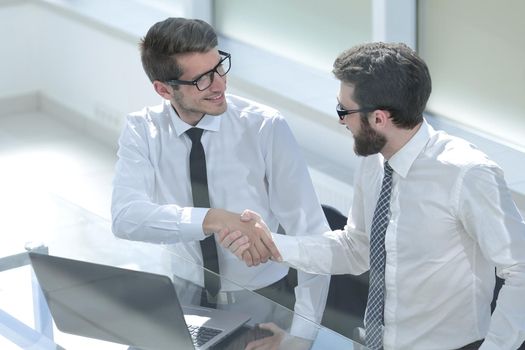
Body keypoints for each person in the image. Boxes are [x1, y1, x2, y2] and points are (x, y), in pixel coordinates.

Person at [219, 42, 525, 350]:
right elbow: (357, 247)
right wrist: (272, 244)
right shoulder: (373, 158)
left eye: (344, 111)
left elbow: (520, 270)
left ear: (379, 118)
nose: (341, 121)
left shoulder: (468, 174)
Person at [110, 17, 331, 341]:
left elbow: (314, 236)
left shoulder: (264, 127)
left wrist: (302, 336)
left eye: (219, 68)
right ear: (163, 89)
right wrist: (215, 220)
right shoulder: (143, 129)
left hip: (265, 299)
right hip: (185, 294)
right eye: (201, 79)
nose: (219, 85)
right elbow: (125, 217)